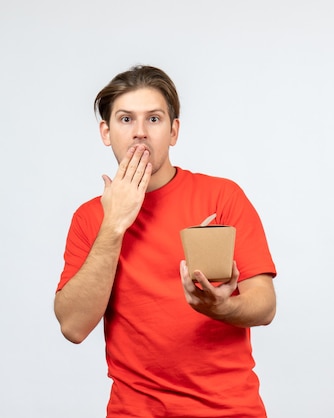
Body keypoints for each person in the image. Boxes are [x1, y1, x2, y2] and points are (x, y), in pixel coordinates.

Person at [54, 65, 277, 418]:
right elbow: (73, 326)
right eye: (126, 120)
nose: (140, 133)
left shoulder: (222, 197)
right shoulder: (89, 219)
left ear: (173, 131)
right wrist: (113, 225)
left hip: (229, 410)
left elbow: (265, 305)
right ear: (106, 132)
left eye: (154, 120)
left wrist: (222, 308)